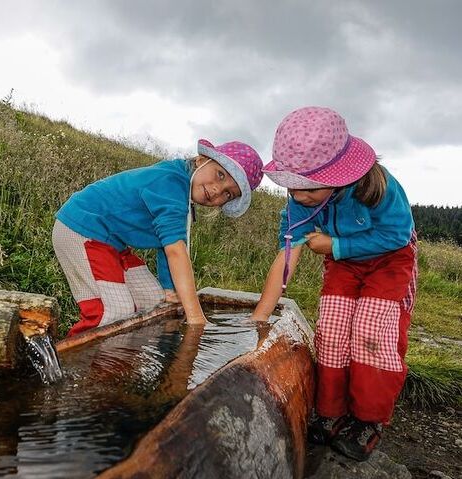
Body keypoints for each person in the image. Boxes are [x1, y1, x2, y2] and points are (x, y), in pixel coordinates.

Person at [251, 106, 417, 461]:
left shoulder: (379, 189)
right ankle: (331, 412)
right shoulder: (299, 202)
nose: (299, 197)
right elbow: (286, 256)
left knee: (371, 332)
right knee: (332, 330)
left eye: (309, 188)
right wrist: (259, 320)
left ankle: (367, 420)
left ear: (341, 175)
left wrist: (336, 246)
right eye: (292, 187)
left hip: (389, 262)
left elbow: (397, 236)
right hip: (344, 266)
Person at [52, 139, 263, 336]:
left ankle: (127, 356)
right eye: (220, 175)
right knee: (113, 312)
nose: (218, 190)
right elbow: (176, 252)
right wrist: (196, 318)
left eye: (228, 194)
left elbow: (166, 245)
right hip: (82, 228)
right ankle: (70, 361)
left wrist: (170, 291)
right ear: (201, 160)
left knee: (152, 299)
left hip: (111, 241)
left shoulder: (182, 190)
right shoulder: (171, 183)